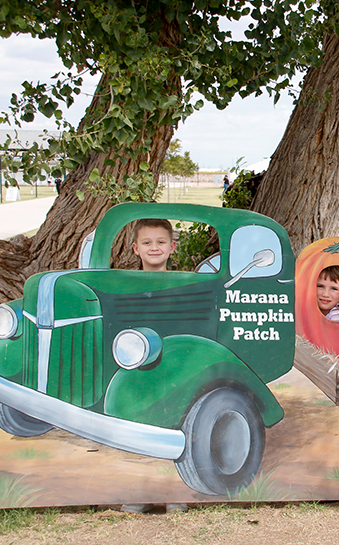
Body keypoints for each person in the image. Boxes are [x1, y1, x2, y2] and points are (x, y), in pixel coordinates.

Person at [122, 219, 187, 514]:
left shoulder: (184, 285)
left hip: (172, 364)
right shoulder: (127, 286)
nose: (154, 248)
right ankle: (141, 492)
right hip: (138, 366)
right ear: (136, 249)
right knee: (138, 425)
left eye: (161, 242)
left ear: (172, 247)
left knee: (175, 423)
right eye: (147, 243)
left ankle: (175, 492)